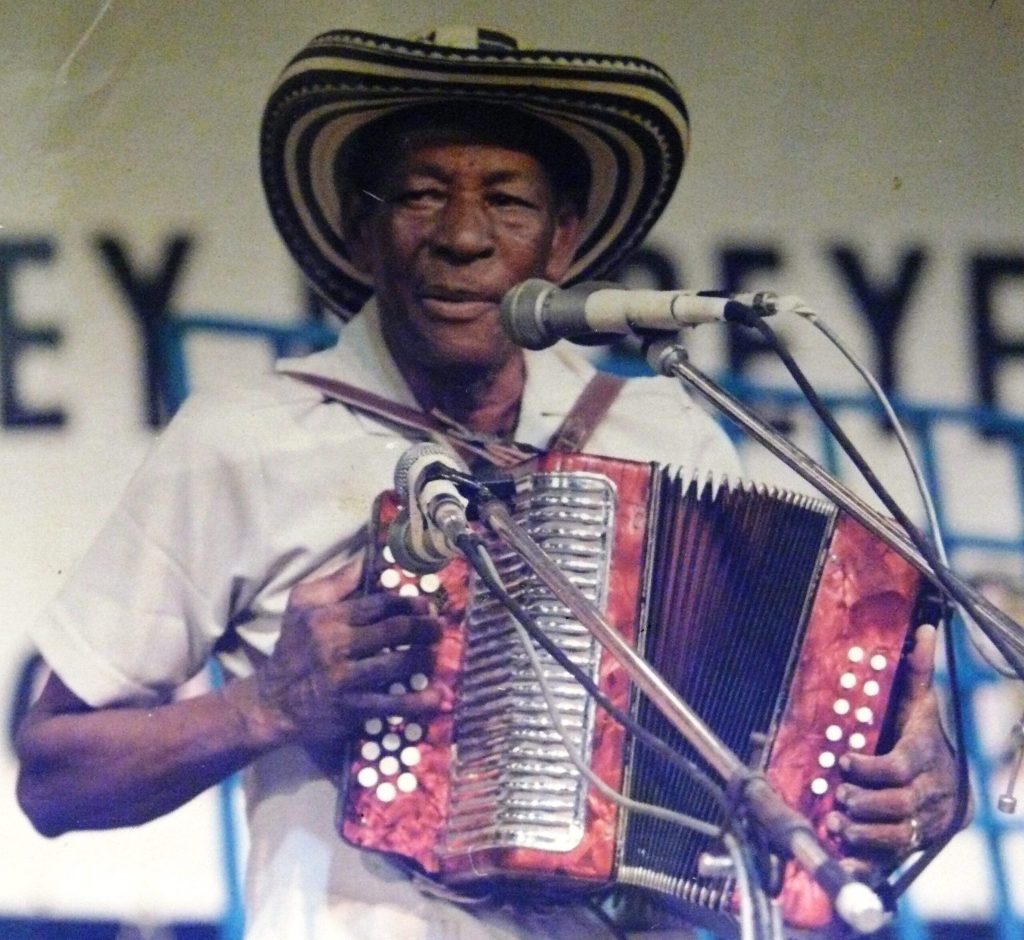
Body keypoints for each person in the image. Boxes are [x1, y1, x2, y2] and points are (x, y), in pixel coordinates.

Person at [16, 25, 960, 940]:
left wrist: (919, 785)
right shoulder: (243, 440)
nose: (463, 237)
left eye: (508, 201)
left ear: (561, 242)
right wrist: (267, 706)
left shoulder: (662, 429)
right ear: (361, 231)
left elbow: (796, 732)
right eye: (422, 196)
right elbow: (53, 778)